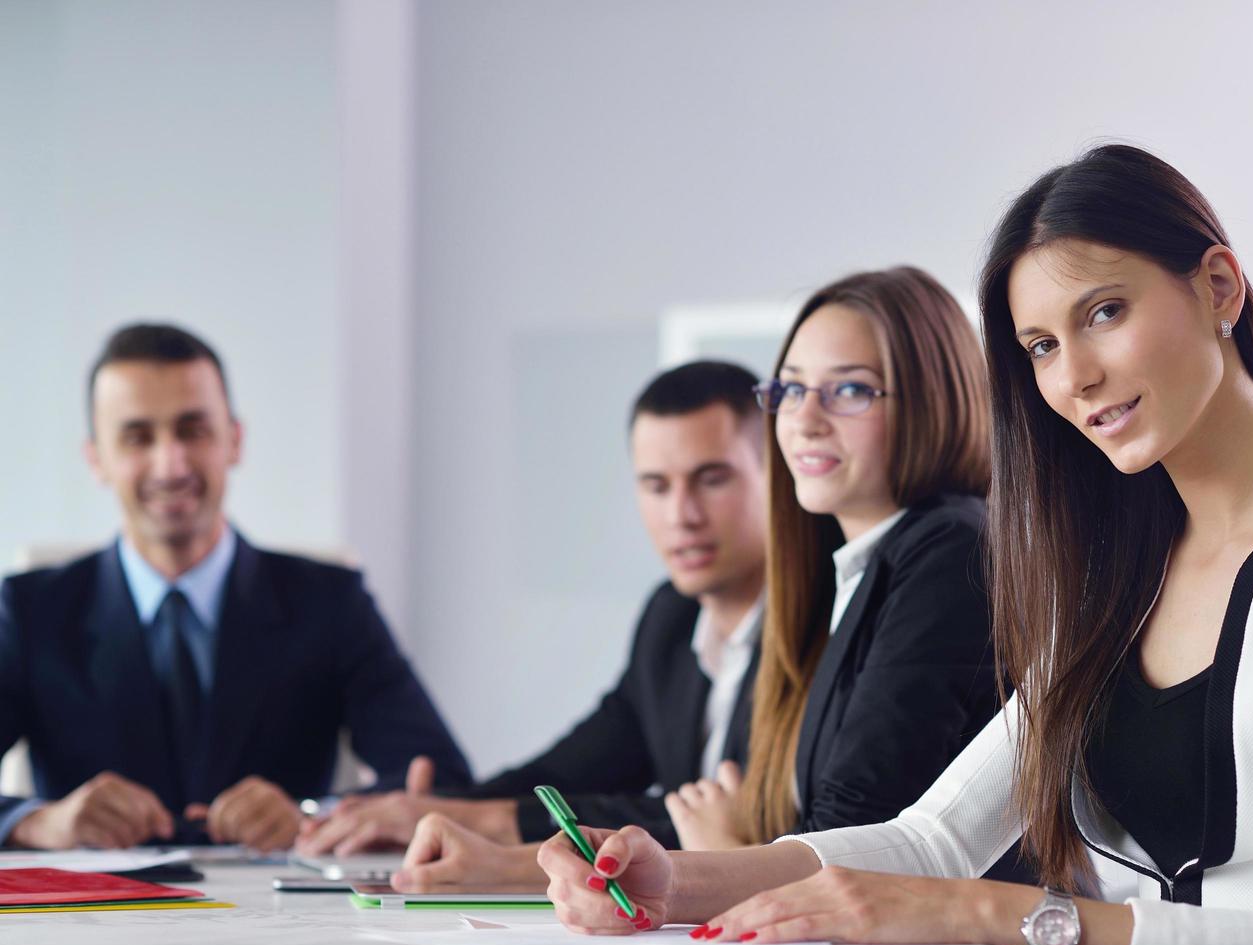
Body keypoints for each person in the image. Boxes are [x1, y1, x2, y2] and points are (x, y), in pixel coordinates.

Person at [535, 145, 1253, 945]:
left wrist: (981, 913)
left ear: (1218, 287)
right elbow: (933, 838)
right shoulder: (1110, 574)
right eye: (1040, 347)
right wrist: (675, 882)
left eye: (1103, 312)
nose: (1073, 377)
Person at [295, 360, 769, 891]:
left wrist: (484, 824)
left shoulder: (822, 629)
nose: (682, 514)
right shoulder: (673, 617)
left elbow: (743, 826)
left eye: (712, 480)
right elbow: (578, 768)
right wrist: (435, 810)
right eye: (656, 486)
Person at [0, 323, 471, 852]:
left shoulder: (329, 601)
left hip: (281, 920)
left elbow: (439, 781)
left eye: (193, 430)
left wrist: (312, 815)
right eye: (137, 437)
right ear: (96, 460)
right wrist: (39, 822)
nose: (170, 464)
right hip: (89, 921)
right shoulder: (29, 610)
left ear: (235, 441)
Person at [658, 267, 1024, 878]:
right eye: (792, 390)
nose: (804, 421)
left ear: (935, 399)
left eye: (849, 391)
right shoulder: (845, 573)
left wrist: (724, 859)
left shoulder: (950, 549)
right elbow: (757, 810)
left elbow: (856, 837)